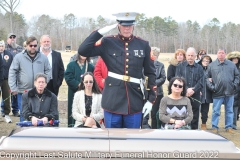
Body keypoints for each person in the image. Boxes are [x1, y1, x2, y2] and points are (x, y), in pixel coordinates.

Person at [78, 12, 157, 128]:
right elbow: (83, 50)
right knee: (112, 139)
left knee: (132, 139)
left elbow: (150, 73)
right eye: (124, 25)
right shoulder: (108, 42)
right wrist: (99, 33)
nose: (127, 28)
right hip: (112, 100)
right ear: (118, 25)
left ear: (133, 26)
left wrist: (151, 100)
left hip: (134, 100)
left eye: (130, 25)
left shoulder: (143, 44)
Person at [8, 36, 52, 122]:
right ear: (26, 45)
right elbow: (12, 72)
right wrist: (13, 88)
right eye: (31, 45)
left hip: (39, 92)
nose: (33, 47)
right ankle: (23, 133)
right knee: (24, 114)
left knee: (39, 114)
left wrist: (44, 83)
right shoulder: (18, 57)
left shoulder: (43, 58)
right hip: (23, 92)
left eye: (35, 45)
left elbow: (48, 70)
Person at [206, 49, 239, 133]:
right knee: (216, 111)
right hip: (217, 92)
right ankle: (214, 127)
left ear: (225, 54)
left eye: (222, 53)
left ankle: (229, 127)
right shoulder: (212, 65)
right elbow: (206, 78)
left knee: (229, 110)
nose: (221, 55)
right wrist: (213, 87)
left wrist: (234, 85)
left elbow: (237, 76)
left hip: (229, 92)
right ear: (217, 54)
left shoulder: (231, 65)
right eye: (219, 53)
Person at [175, 47, 204, 130]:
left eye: (192, 55)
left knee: (195, 116)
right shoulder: (180, 66)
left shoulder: (199, 67)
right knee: (183, 114)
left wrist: (193, 90)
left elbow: (201, 81)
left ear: (195, 56)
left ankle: (194, 133)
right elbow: (177, 79)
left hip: (196, 95)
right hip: (183, 94)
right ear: (186, 56)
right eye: (188, 55)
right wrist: (186, 89)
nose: (190, 57)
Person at [64, 54, 94, 127]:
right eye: (82, 53)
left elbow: (93, 79)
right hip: (74, 92)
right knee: (74, 110)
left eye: (85, 53)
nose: (84, 55)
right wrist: (78, 84)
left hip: (87, 93)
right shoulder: (71, 65)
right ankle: (72, 127)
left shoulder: (90, 66)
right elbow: (68, 77)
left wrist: (87, 85)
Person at [143, 47, 166, 129]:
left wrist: (152, 83)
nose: (153, 55)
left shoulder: (161, 65)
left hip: (157, 92)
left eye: (155, 54)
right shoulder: (143, 64)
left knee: (154, 113)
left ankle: (154, 130)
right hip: (144, 92)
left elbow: (163, 78)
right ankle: (144, 128)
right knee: (144, 113)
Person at [5, 33, 24, 117]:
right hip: (5, 74)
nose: (12, 39)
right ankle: (4, 110)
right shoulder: (4, 47)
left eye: (14, 37)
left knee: (15, 92)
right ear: (7, 39)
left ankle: (15, 110)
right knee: (6, 93)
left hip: (17, 74)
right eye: (11, 37)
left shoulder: (20, 48)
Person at [198, 55, 213, 130]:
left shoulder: (211, 69)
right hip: (199, 92)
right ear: (201, 61)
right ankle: (195, 124)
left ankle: (204, 123)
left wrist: (212, 79)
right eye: (204, 61)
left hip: (207, 93)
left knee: (205, 110)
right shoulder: (198, 68)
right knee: (197, 109)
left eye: (208, 61)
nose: (206, 62)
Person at [226, 51, 240, 130]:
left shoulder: (239, 69)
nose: (235, 60)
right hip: (229, 91)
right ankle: (228, 125)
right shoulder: (227, 69)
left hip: (237, 91)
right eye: (234, 59)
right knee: (229, 109)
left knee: (235, 109)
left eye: (237, 59)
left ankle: (233, 124)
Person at [0, 40, 13, 123]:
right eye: (0, 46)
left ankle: (7, 114)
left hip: (6, 79)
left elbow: (12, 65)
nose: (1, 48)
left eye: (2, 46)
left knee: (6, 97)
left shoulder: (9, 54)